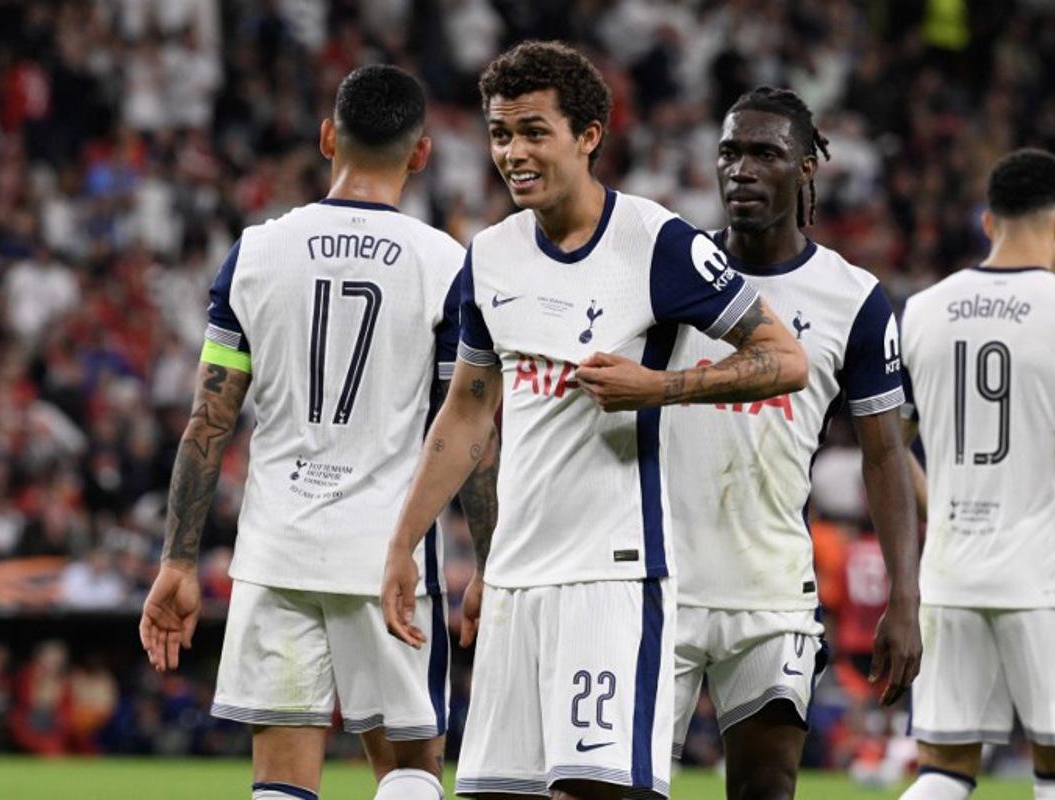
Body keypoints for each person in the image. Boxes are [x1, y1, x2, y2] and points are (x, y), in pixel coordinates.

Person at [381, 42, 808, 800]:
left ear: (588, 136)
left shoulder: (657, 243)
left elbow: (786, 360)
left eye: (534, 132)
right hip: (515, 581)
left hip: (611, 580)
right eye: (501, 133)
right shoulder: (489, 256)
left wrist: (661, 386)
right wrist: (403, 543)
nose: (513, 152)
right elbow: (468, 411)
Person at [138, 65, 498, 800]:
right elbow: (470, 432)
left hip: (277, 549)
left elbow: (209, 420)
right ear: (421, 153)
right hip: (390, 557)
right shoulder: (445, 265)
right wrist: (489, 562)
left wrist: (178, 559)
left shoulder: (256, 252)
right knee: (409, 778)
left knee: (280, 787)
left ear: (328, 136)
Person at [664, 86, 922, 800]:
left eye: (765, 154)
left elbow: (885, 453)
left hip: (772, 588)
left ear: (806, 168)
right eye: (730, 152)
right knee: (628, 786)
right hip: (660, 579)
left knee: (767, 789)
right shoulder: (670, 272)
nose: (741, 169)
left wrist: (905, 597)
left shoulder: (854, 297)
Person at [899, 149, 1055, 800]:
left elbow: (887, 446)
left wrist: (937, 511)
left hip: (949, 573)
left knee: (945, 768)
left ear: (987, 220)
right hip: (1045, 579)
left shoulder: (920, 311)